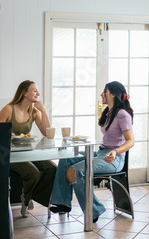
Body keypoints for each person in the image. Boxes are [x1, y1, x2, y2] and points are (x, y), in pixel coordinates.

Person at [49, 81, 134, 223]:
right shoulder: (109, 112)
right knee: (65, 159)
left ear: (113, 94)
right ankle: (63, 202)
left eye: (105, 91)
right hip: (101, 153)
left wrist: (115, 151)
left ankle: (95, 210)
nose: (102, 94)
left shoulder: (122, 115)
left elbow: (131, 141)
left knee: (75, 171)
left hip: (114, 159)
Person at [0, 80, 57, 217]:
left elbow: (47, 133)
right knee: (33, 173)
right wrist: (6, 134)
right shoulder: (8, 109)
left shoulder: (34, 112)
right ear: (24, 92)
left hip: (28, 153)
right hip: (8, 154)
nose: (38, 93)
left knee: (52, 168)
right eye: (34, 90)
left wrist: (44, 112)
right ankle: (27, 199)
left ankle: (28, 196)